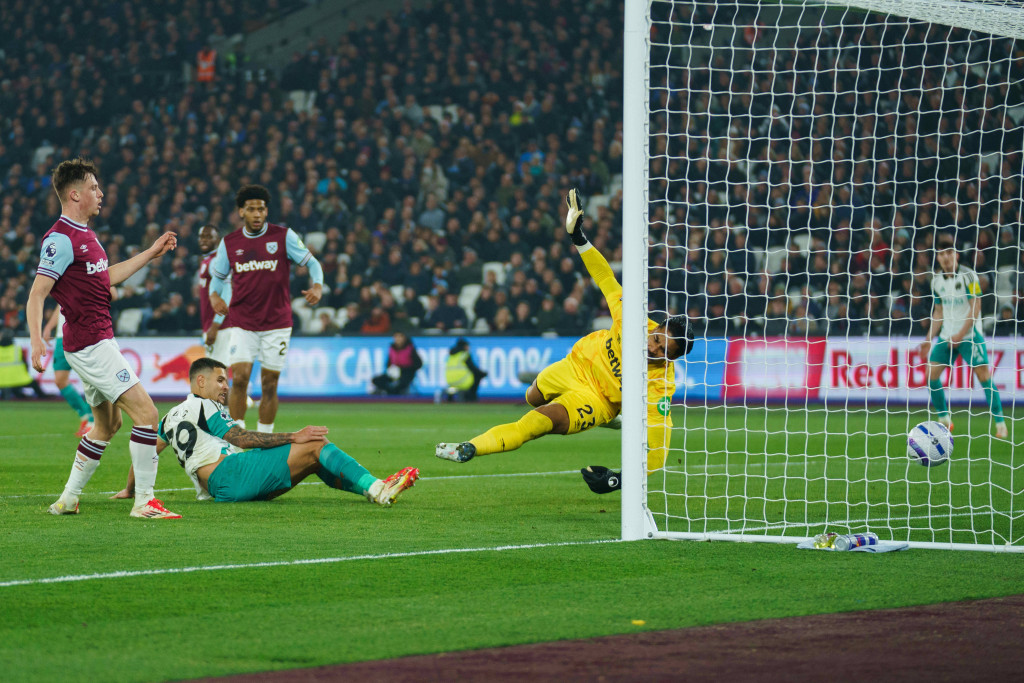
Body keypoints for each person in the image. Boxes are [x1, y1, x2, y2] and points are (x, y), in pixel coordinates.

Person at [436, 190, 694, 496]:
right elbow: (605, 277)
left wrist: (619, 479)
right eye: (656, 340)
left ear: (672, 360)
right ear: (656, 327)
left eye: (664, 352)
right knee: (533, 397)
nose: (653, 349)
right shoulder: (632, 318)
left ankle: (470, 447)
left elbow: (659, 451)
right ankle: (617, 420)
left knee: (538, 423)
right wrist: (578, 237)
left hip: (596, 399)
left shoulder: (660, 386)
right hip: (574, 366)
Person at [26, 157, 181, 518]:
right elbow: (37, 294)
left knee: (108, 425)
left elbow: (104, 278)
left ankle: (67, 499)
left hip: (95, 340)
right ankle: (144, 501)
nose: (101, 193)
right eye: (94, 187)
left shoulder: (86, 235)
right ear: (75, 194)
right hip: (91, 343)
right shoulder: (61, 239)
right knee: (147, 414)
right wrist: (36, 339)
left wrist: (150, 253)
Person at [127, 357, 419, 504]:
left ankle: (370, 490)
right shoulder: (205, 406)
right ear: (200, 382)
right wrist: (293, 436)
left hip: (220, 488)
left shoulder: (169, 417)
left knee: (314, 461)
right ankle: (378, 489)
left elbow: (146, 452)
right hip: (231, 473)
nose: (226, 386)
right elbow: (241, 438)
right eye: (220, 380)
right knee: (315, 444)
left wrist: (130, 490)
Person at [209, 184, 325, 432]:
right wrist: (214, 297)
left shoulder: (284, 236)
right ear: (241, 212)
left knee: (269, 384)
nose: (257, 214)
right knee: (240, 379)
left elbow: (313, 264)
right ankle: (238, 437)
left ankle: (264, 439)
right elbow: (216, 279)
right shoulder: (230, 243)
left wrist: (317, 286)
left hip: (277, 323)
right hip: (243, 322)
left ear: (266, 211)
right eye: (251, 209)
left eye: (261, 209)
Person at [919, 234, 1008, 439]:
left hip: (969, 335)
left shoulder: (969, 276)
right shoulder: (936, 281)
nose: (945, 257)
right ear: (937, 257)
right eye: (941, 254)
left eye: (949, 253)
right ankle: (945, 420)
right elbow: (938, 312)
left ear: (956, 255)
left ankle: (1000, 423)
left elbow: (976, 306)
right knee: (931, 375)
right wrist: (928, 338)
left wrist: (960, 334)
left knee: (983, 376)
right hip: (947, 335)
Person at [41, 306, 94, 435]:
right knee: (60, 380)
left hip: (83, 332)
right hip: (62, 337)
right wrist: (49, 326)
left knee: (89, 378)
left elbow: (112, 295)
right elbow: (60, 304)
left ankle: (93, 420)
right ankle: (84, 415)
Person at [0, 329, 45, 399]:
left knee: (12, 390)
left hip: (2, 380)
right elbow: (25, 364)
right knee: (33, 383)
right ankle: (42, 396)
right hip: (18, 378)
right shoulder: (17, 349)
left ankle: (15, 394)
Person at [445, 337, 488, 402]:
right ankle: (472, 397)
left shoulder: (451, 355)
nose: (468, 347)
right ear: (464, 346)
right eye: (467, 346)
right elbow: (473, 368)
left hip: (450, 382)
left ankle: (450, 399)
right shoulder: (464, 355)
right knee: (478, 376)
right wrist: (484, 374)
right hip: (462, 382)